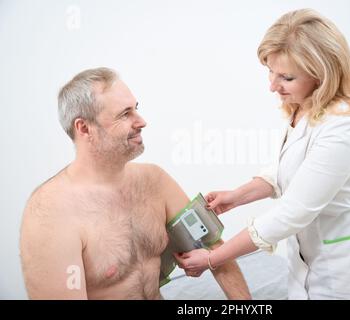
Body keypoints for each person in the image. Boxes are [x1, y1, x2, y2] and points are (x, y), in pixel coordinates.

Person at [175, 9, 350, 300]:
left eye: (286, 77)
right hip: (310, 261)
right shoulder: (304, 106)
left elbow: (293, 212)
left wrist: (214, 258)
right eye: (270, 72)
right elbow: (284, 170)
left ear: (322, 74)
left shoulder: (346, 123)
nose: (272, 86)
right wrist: (236, 196)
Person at [20, 67, 251, 300]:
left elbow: (214, 247)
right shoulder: (49, 214)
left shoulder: (154, 181)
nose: (141, 122)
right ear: (84, 128)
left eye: (136, 109)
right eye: (124, 114)